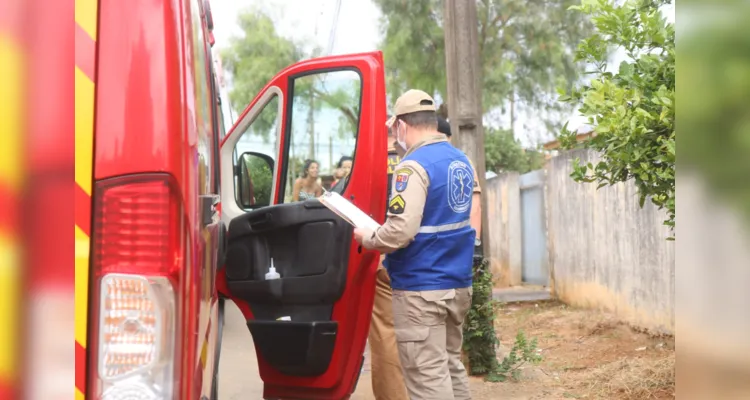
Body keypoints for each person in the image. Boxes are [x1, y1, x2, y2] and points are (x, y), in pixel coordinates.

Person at [354, 89, 475, 400]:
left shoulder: (412, 166)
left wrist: (368, 237)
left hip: (422, 289)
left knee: (426, 377)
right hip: (457, 284)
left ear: (402, 126)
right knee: (450, 368)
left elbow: (400, 232)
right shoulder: (461, 161)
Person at [437, 116, 483, 244]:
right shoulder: (464, 162)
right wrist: (476, 243)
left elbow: (475, 205)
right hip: (459, 241)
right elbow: (475, 205)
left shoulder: (423, 162)